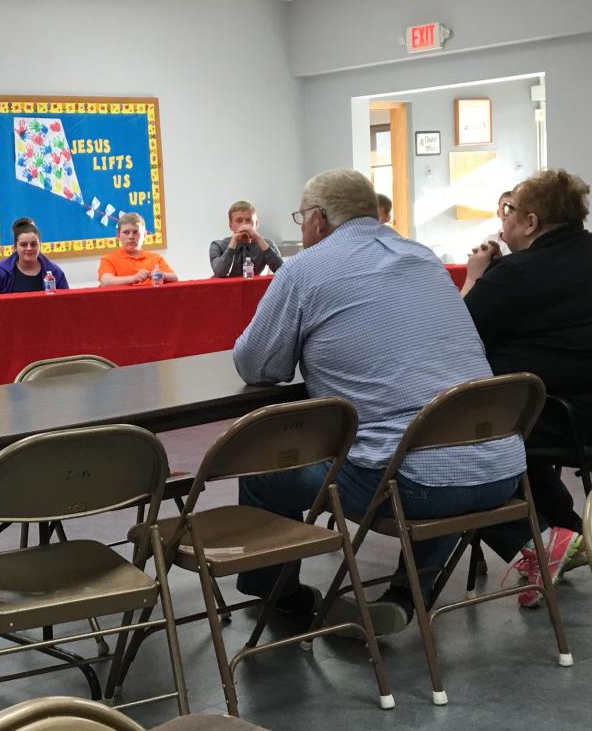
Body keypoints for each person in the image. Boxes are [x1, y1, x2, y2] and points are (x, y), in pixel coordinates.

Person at [232, 169, 525, 633]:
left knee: (266, 471)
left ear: (318, 220)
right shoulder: (422, 257)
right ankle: (408, 594)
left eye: (302, 218)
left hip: (412, 483)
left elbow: (258, 366)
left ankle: (277, 593)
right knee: (433, 453)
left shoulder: (304, 270)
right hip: (504, 470)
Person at [461, 169, 592, 605]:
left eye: (508, 210)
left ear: (531, 222)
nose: (504, 220)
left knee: (455, 447)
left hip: (547, 416)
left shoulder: (514, 273)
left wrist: (476, 277)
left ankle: (539, 543)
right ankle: (568, 533)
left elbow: (458, 338)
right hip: (573, 413)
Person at [0, 218, 68, 294]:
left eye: (33, 244)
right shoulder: (0, 271)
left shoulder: (55, 272)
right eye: (23, 245)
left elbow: (67, 303)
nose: (29, 248)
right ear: (15, 246)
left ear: (40, 245)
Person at [98, 212, 177, 286]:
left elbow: (174, 277)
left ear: (145, 235)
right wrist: (134, 278)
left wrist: (162, 275)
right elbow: (106, 282)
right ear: (118, 235)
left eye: (136, 232)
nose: (131, 237)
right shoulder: (108, 259)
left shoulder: (156, 258)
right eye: (126, 232)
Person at [209, 200, 283, 277]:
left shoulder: (266, 244)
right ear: (230, 225)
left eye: (248, 220)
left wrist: (258, 239)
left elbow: (282, 271)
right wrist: (233, 242)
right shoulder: (217, 245)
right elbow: (219, 272)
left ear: (256, 224)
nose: (244, 224)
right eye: (239, 221)